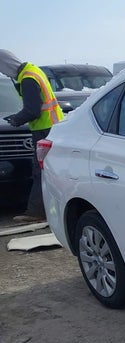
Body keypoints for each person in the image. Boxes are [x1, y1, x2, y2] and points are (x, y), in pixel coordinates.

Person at [0, 49, 64, 223]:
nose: (4, 73)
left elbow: (32, 110)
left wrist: (16, 120)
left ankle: (36, 212)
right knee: (50, 170)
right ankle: (54, 208)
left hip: (44, 130)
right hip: (53, 128)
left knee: (40, 171)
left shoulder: (27, 79)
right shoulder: (34, 71)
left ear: (6, 64)